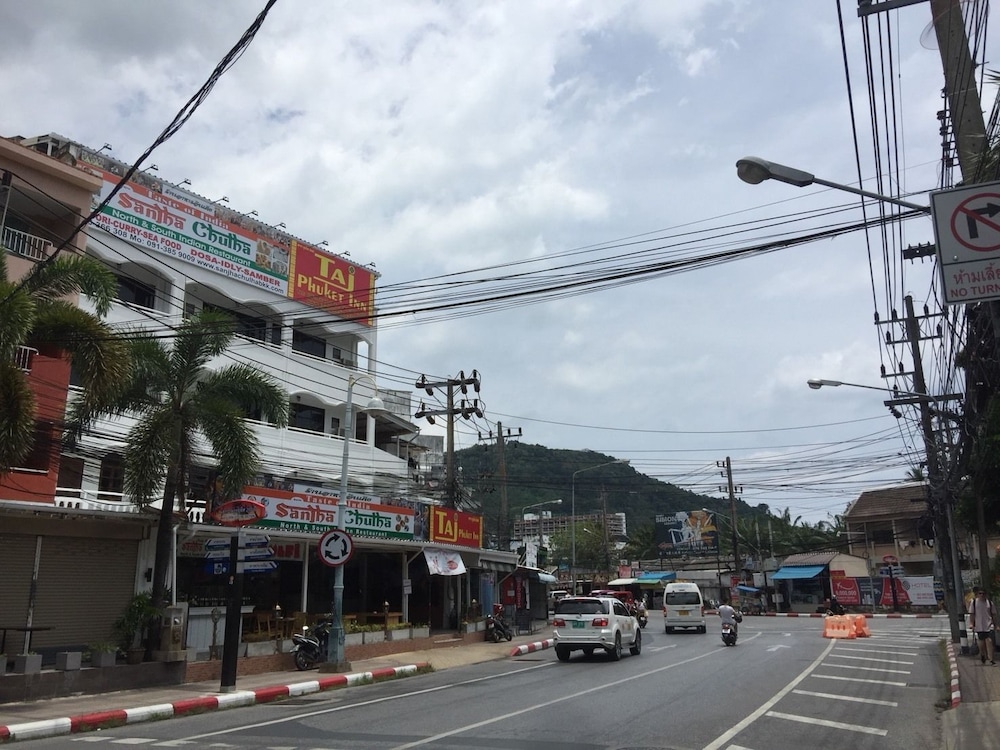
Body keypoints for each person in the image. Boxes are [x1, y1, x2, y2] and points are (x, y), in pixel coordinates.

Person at [968, 588, 997, 665]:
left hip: (989, 625)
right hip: (979, 625)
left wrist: (996, 625)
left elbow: (993, 615)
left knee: (989, 641)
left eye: (983, 593)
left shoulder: (989, 603)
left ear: (986, 595)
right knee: (981, 642)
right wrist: (971, 623)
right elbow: (972, 614)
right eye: (980, 593)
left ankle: (991, 659)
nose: (982, 595)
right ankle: (982, 654)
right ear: (977, 594)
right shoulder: (974, 603)